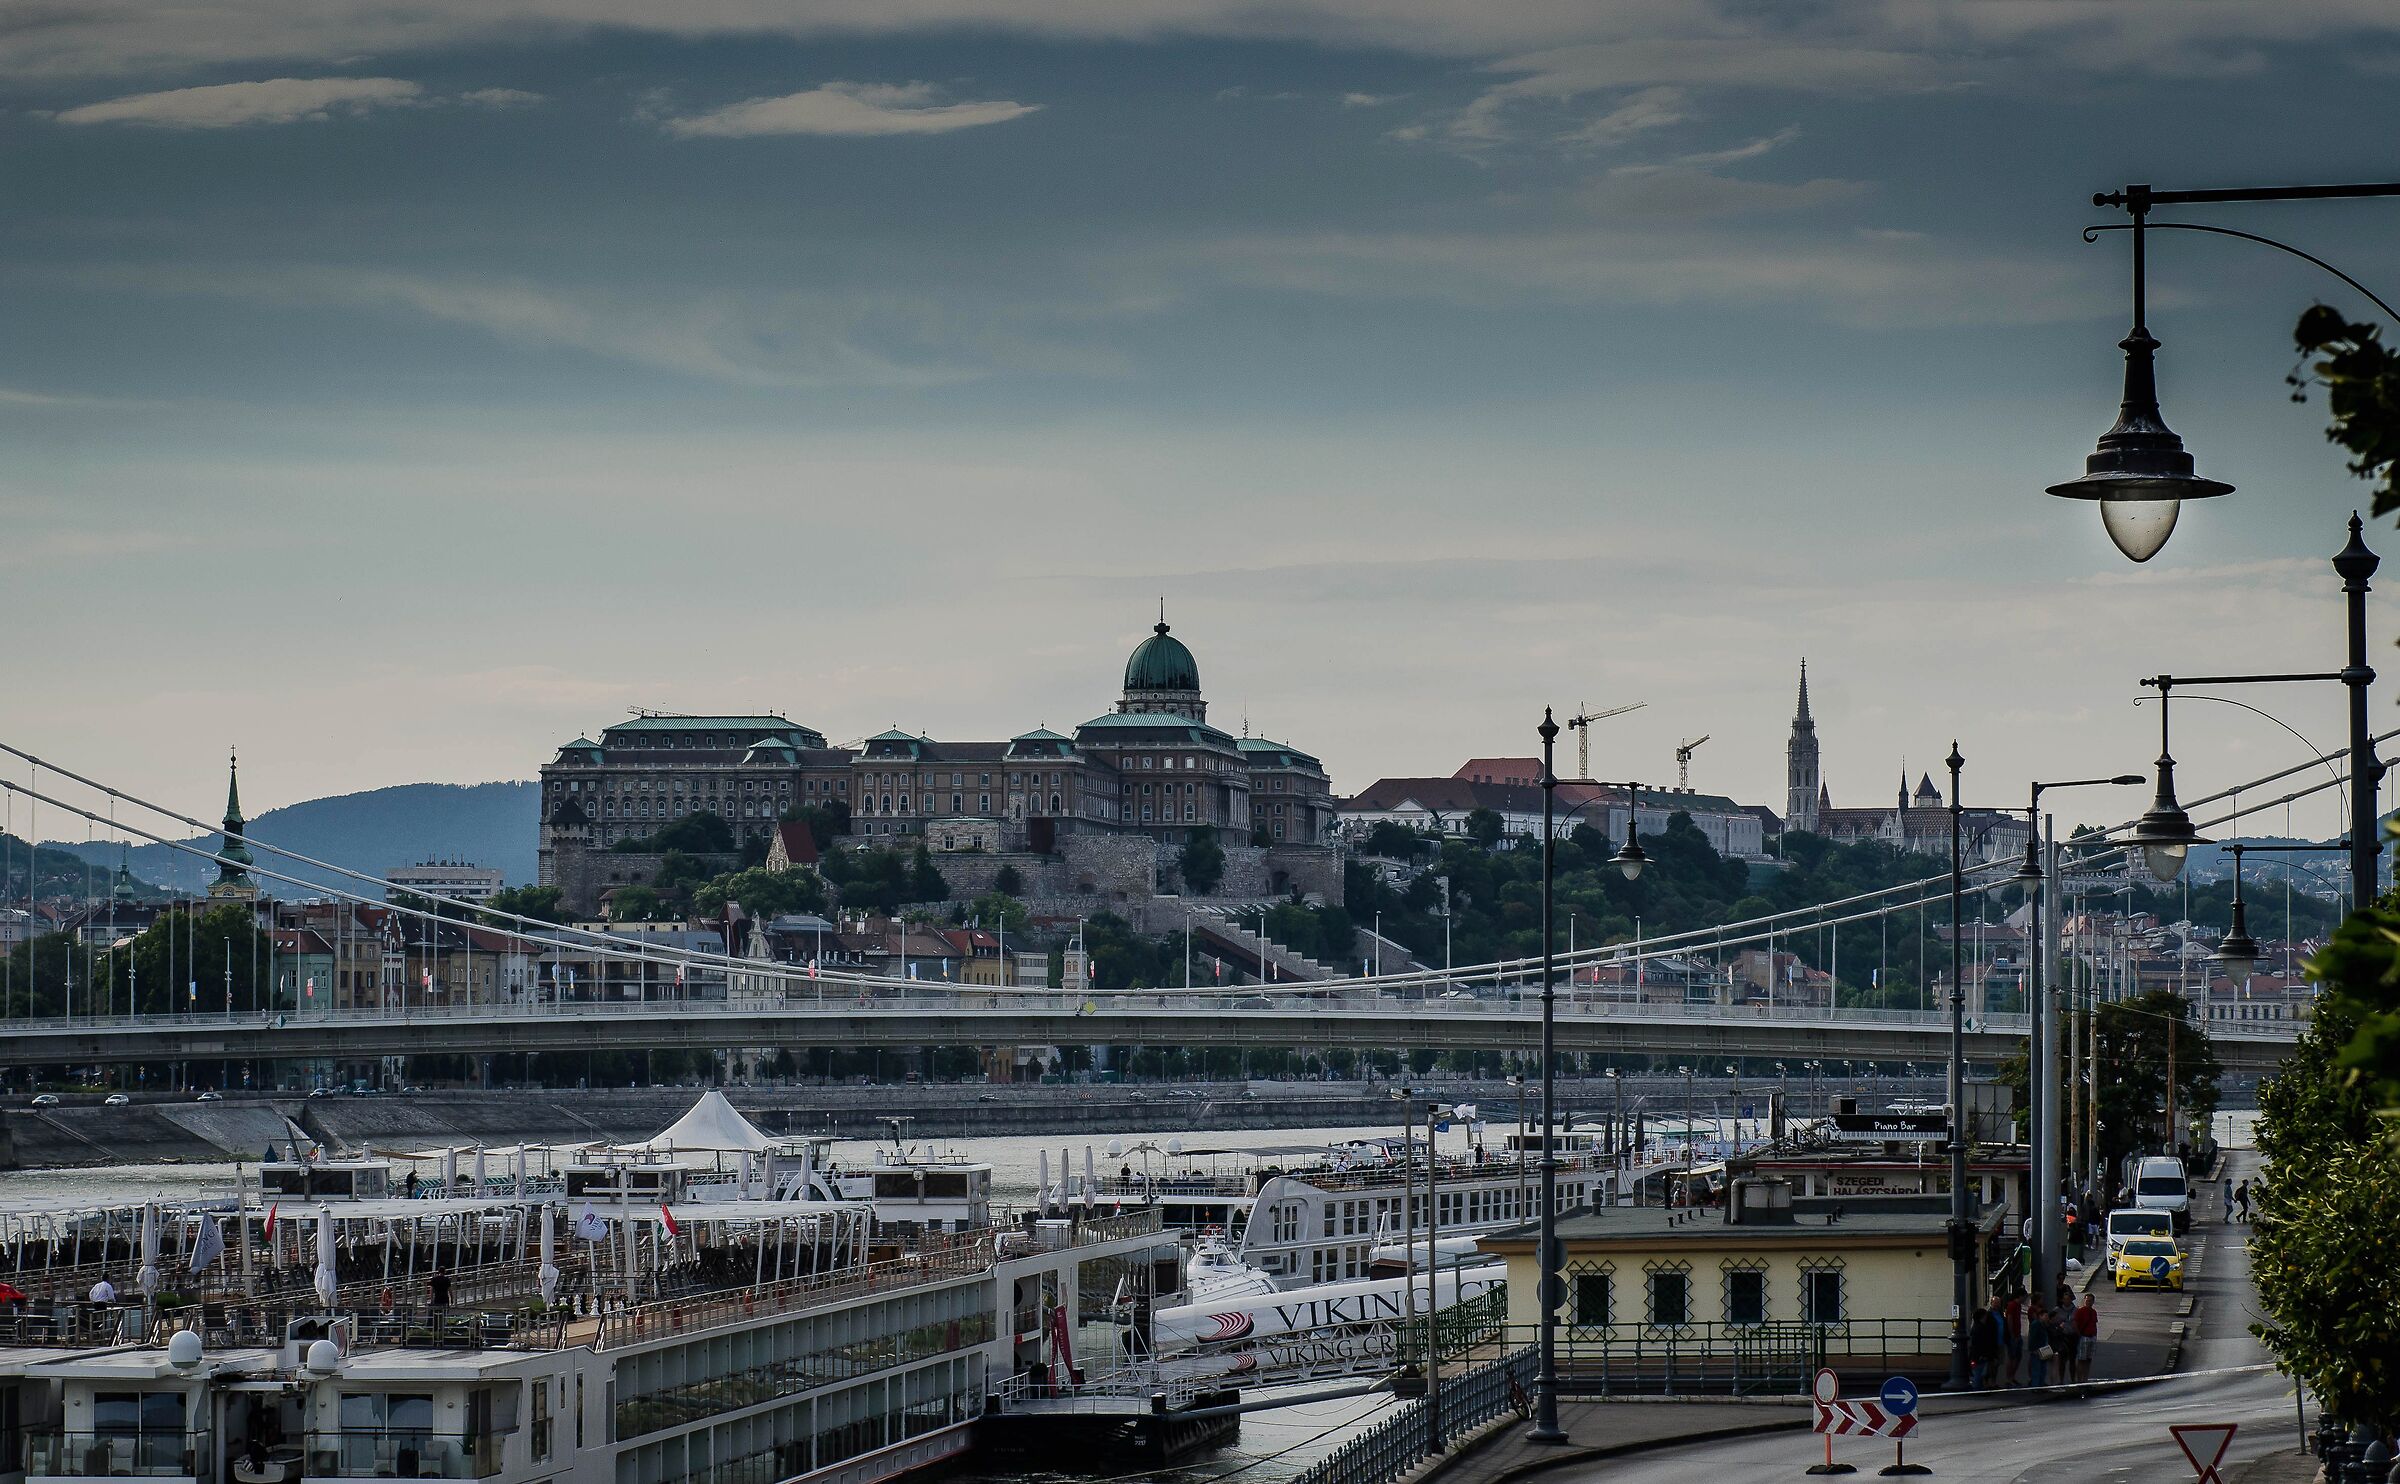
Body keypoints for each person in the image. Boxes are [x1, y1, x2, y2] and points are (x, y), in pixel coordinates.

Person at [1966, 1306, 1997, 1389]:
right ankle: (1977, 1389)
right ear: (1982, 1317)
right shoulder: (1981, 1328)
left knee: (1977, 1371)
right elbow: (1981, 1343)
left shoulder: (1975, 1327)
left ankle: (1977, 1388)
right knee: (1979, 1372)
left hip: (1976, 1355)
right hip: (1979, 1355)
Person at [2072, 1293, 2099, 1383]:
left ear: (2093, 1302)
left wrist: (2095, 1335)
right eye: (2087, 1300)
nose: (2088, 1302)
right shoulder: (2080, 1311)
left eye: (2090, 1301)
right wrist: (2079, 1334)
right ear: (2084, 1300)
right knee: (2081, 1360)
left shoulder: (2093, 1312)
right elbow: (2075, 1323)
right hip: (2084, 1337)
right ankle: (2080, 1380)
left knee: (2088, 1359)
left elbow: (2094, 1324)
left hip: (2092, 1337)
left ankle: (2085, 1379)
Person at [2001, 1292, 2025, 1386]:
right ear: (2020, 1296)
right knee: (2012, 1357)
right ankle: (2009, 1378)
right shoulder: (2012, 1305)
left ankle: (2012, 1376)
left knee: (2017, 1357)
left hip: (2017, 1334)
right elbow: (2009, 1319)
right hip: (2014, 1335)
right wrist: (2012, 1334)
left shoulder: (2018, 1305)